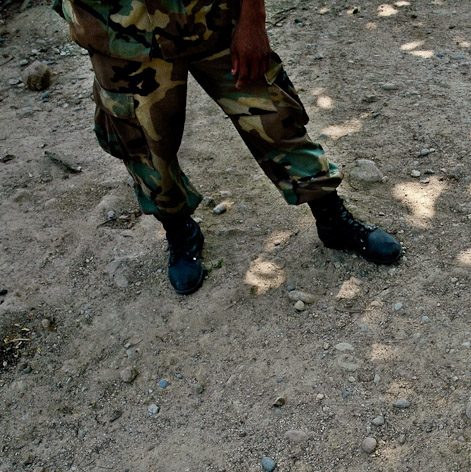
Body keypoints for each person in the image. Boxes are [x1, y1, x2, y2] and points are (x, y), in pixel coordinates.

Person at [53, 0, 402, 294]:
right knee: (143, 145)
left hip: (211, 16)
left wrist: (253, 17)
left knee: (274, 117)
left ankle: (331, 218)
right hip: (119, 32)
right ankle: (179, 230)